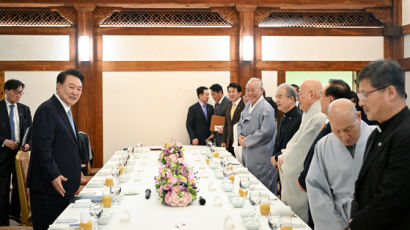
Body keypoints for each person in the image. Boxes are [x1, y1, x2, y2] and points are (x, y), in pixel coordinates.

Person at [349, 59, 410, 230]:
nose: (361, 103)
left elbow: (393, 199)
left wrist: (357, 225)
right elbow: (362, 187)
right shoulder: (377, 134)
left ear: (390, 92)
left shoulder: (405, 134)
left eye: (365, 95)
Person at [27, 69, 84, 230]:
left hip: (61, 189)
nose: (75, 92)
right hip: (49, 190)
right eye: (71, 87)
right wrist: (53, 175)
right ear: (59, 86)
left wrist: (75, 167)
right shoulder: (48, 109)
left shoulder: (65, 110)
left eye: (79, 89)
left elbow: (66, 146)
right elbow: (42, 148)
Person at [306, 99, 374, 230]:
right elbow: (316, 188)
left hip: (373, 216)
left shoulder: (378, 138)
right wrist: (337, 225)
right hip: (336, 218)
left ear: (358, 117)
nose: (344, 136)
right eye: (337, 131)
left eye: (349, 129)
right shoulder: (323, 145)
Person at [297, 79, 352, 227]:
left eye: (322, 97)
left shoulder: (340, 128)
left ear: (331, 100)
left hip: (329, 200)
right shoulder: (327, 123)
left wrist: (306, 179)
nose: (319, 100)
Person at [277, 79, 326, 222]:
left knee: (299, 217)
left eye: (300, 94)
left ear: (311, 95)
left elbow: (302, 150)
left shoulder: (318, 118)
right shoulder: (307, 114)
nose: (298, 99)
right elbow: (294, 141)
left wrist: (284, 158)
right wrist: (283, 154)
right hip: (291, 170)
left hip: (301, 178)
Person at [0, 79, 32, 225]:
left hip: (20, 153)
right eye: (15, 92)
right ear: (6, 91)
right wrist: (4, 141)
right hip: (3, 153)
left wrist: (28, 144)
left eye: (20, 93)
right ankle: (2, 220)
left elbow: (30, 131)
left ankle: (15, 214)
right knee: (3, 188)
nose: (18, 95)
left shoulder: (24, 109)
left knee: (20, 186)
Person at [237, 78, 277, 193]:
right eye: (248, 90)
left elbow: (266, 132)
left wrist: (247, 141)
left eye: (253, 90)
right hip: (247, 152)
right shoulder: (247, 105)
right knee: (250, 186)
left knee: (262, 189)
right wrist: (239, 137)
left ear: (261, 90)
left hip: (261, 156)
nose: (250, 93)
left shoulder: (267, 108)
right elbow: (240, 123)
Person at [271, 83, 302, 169]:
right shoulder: (284, 116)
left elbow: (295, 147)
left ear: (291, 99)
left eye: (280, 97)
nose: (276, 100)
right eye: (276, 97)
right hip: (280, 165)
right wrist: (274, 156)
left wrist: (277, 157)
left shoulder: (299, 118)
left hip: (292, 166)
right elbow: (278, 141)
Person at [221, 83, 245, 156]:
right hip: (229, 142)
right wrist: (224, 141)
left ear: (240, 93)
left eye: (233, 91)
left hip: (239, 143)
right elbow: (226, 125)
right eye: (229, 92)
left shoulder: (244, 105)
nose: (231, 94)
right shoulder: (229, 106)